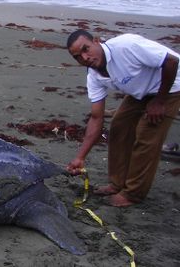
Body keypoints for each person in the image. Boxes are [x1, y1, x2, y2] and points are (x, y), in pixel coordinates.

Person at [65, 29, 180, 207]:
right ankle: (117, 183)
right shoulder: (94, 76)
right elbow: (96, 117)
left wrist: (159, 101)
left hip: (171, 85)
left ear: (96, 41)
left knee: (146, 136)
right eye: (78, 56)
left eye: (86, 49)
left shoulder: (126, 46)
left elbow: (171, 61)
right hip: (140, 91)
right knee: (119, 127)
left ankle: (133, 193)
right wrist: (80, 157)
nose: (85, 57)